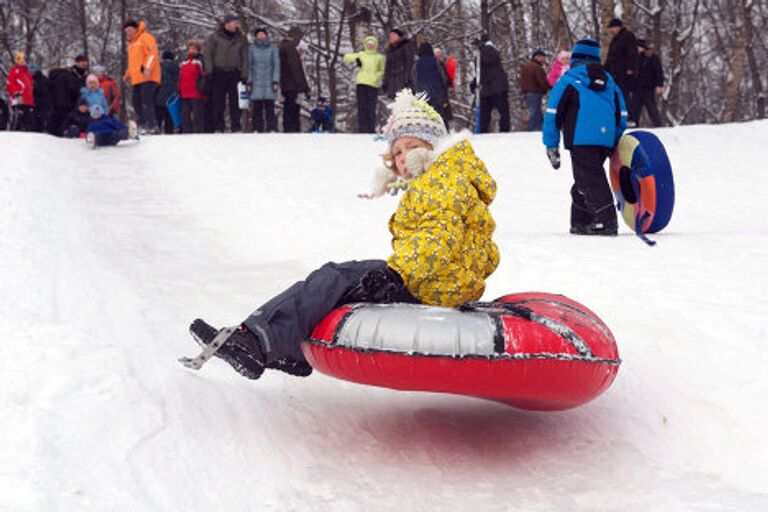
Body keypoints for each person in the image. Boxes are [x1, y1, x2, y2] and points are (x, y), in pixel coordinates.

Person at [185, 89, 500, 381]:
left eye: (412, 147)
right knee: (341, 282)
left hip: (429, 285)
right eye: (398, 152)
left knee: (334, 278)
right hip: (439, 282)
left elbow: (435, 240)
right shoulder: (453, 179)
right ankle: (283, 347)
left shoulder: (440, 184)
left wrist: (397, 276)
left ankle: (254, 341)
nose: (403, 159)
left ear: (433, 146)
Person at [543, 38, 628, 236]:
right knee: (584, 179)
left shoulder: (569, 80)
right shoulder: (610, 81)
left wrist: (551, 145)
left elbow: (553, 113)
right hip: (605, 140)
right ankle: (580, 221)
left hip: (580, 139)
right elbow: (622, 113)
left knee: (590, 179)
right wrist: (614, 139)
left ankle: (606, 221)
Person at [204, 13, 248, 133]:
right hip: (219, 72)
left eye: (236, 22)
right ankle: (219, 127)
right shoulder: (214, 37)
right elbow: (208, 54)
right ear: (227, 24)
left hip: (235, 72)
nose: (236, 24)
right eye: (234, 22)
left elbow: (245, 57)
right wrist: (209, 72)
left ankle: (236, 126)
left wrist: (245, 74)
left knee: (236, 102)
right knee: (218, 102)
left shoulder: (241, 38)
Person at [123, 20, 161, 134]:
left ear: (135, 28)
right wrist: (127, 74)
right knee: (136, 102)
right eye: (126, 31)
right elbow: (134, 63)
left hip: (148, 76)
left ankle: (152, 126)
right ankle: (143, 125)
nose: (128, 33)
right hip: (137, 79)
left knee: (146, 101)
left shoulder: (145, 37)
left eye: (129, 30)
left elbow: (152, 55)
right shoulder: (132, 44)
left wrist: (147, 68)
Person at [343, 35, 385, 133]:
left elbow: (382, 71)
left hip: (373, 85)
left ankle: (371, 130)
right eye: (368, 44)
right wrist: (356, 60)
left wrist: (376, 77)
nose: (370, 46)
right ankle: (362, 129)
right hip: (361, 83)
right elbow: (346, 57)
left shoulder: (379, 57)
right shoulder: (361, 54)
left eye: (372, 45)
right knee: (362, 107)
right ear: (365, 45)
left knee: (371, 108)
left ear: (376, 45)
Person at [472, 35, 510, 133]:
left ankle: (504, 131)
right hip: (487, 87)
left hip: (497, 87)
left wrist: (481, 48)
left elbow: (488, 60)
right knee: (485, 112)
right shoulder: (481, 54)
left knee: (502, 111)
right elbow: (481, 71)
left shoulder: (489, 50)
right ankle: (483, 131)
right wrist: (474, 82)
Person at [247, 27, 280, 133]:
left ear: (266, 35)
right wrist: (249, 81)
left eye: (263, 34)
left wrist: (275, 80)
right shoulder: (251, 48)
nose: (261, 36)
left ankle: (272, 128)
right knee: (257, 108)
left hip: (269, 81)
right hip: (256, 82)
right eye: (258, 34)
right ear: (256, 37)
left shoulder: (273, 48)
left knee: (270, 107)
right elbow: (249, 66)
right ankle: (257, 128)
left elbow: (276, 65)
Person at [604, 18, 637, 118]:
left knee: (624, 93)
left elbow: (632, 53)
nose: (611, 31)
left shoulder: (628, 36)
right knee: (616, 93)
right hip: (614, 71)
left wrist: (631, 67)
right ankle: (618, 114)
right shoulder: (615, 39)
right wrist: (605, 69)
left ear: (618, 27)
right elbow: (610, 56)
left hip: (624, 70)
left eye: (612, 28)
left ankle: (629, 115)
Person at [279, 26, 310, 133]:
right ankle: (292, 131)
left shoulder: (283, 46)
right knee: (292, 108)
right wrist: (303, 87)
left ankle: (290, 129)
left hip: (285, 83)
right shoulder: (290, 48)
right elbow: (295, 69)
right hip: (291, 84)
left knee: (288, 107)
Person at [49, 55, 88, 136]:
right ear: (76, 62)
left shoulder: (79, 75)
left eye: (85, 63)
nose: (84, 64)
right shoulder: (70, 75)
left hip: (64, 102)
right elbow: (73, 88)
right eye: (82, 62)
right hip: (67, 102)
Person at [412, 42, 449, 125]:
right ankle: (443, 132)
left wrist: (418, 89)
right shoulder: (436, 62)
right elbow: (443, 78)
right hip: (436, 92)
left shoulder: (416, 64)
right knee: (438, 114)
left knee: (424, 115)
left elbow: (414, 78)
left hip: (422, 93)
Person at [630, 39, 664, 127]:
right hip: (636, 88)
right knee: (634, 110)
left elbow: (658, 71)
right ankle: (633, 126)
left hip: (648, 87)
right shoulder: (634, 58)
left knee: (652, 109)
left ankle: (658, 125)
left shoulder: (651, 58)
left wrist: (659, 85)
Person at [178, 41, 206, 134]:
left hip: (196, 92)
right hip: (184, 92)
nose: (191, 50)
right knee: (185, 114)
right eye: (190, 48)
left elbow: (204, 75)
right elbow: (180, 75)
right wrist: (178, 87)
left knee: (198, 115)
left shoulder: (200, 61)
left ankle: (198, 132)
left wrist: (201, 87)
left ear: (198, 50)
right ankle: (186, 132)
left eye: (194, 48)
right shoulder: (184, 61)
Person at [519, 49, 551, 131]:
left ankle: (540, 128)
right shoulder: (537, 68)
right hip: (535, 92)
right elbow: (542, 81)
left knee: (536, 111)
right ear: (537, 57)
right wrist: (549, 88)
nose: (544, 59)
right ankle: (533, 129)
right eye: (543, 57)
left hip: (527, 93)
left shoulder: (527, 66)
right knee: (534, 112)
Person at [382, 29, 415, 100]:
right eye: (390, 36)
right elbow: (387, 68)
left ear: (399, 37)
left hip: (403, 81)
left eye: (393, 35)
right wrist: (385, 82)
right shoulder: (390, 50)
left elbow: (410, 63)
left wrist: (407, 78)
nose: (391, 37)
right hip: (391, 83)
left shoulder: (406, 46)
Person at [6, 52, 35, 131]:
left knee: (28, 122)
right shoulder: (14, 71)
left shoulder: (28, 73)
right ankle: (12, 137)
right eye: (20, 59)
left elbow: (30, 86)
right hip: (19, 99)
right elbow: (9, 84)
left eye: (23, 60)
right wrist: (16, 93)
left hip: (29, 101)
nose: (22, 62)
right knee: (17, 120)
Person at [155, 50, 180, 134]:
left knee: (158, 118)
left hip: (159, 96)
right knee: (169, 119)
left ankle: (156, 132)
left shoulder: (159, 67)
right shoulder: (177, 67)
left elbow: (156, 82)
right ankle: (169, 134)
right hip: (172, 98)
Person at [434, 48, 456, 127]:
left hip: (442, 91)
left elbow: (446, 76)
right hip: (441, 92)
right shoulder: (439, 64)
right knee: (444, 111)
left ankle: (447, 127)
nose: (439, 57)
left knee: (444, 111)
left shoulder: (441, 64)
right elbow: (445, 77)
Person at [28, 63, 53, 133]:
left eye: (33, 72)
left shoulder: (43, 80)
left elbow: (44, 94)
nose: (31, 73)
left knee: (40, 126)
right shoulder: (30, 80)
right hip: (35, 106)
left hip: (43, 106)